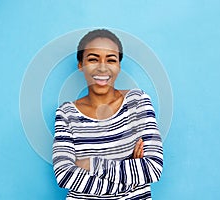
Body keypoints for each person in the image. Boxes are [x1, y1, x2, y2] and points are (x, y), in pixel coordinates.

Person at [52, 29, 163, 199]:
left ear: (118, 66)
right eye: (93, 59)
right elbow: (64, 175)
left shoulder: (137, 101)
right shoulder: (66, 114)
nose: (102, 67)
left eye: (111, 60)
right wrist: (129, 176)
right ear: (80, 65)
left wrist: (91, 164)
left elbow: (153, 169)